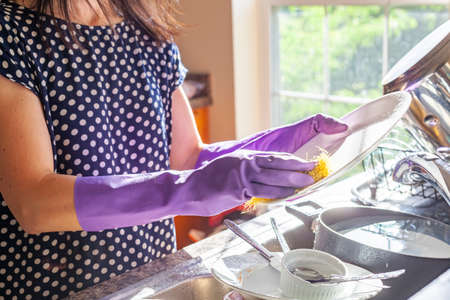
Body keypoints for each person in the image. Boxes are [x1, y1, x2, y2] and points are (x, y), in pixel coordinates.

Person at [0, 0, 348, 298]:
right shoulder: (10, 34)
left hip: (152, 282)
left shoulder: (148, 34)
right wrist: (192, 187)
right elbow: (34, 203)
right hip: (59, 288)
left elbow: (187, 159)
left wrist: (278, 145)